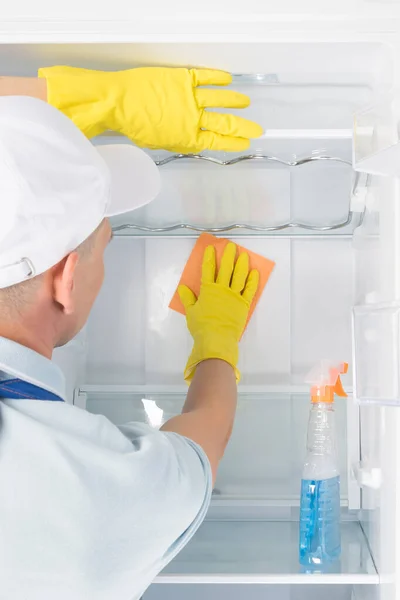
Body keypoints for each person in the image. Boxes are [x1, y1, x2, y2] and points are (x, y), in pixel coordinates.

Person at [0, 68, 260, 600]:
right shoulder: (94, 498)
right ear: (67, 280)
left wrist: (97, 98)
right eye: (105, 243)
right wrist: (217, 342)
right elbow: (205, 438)